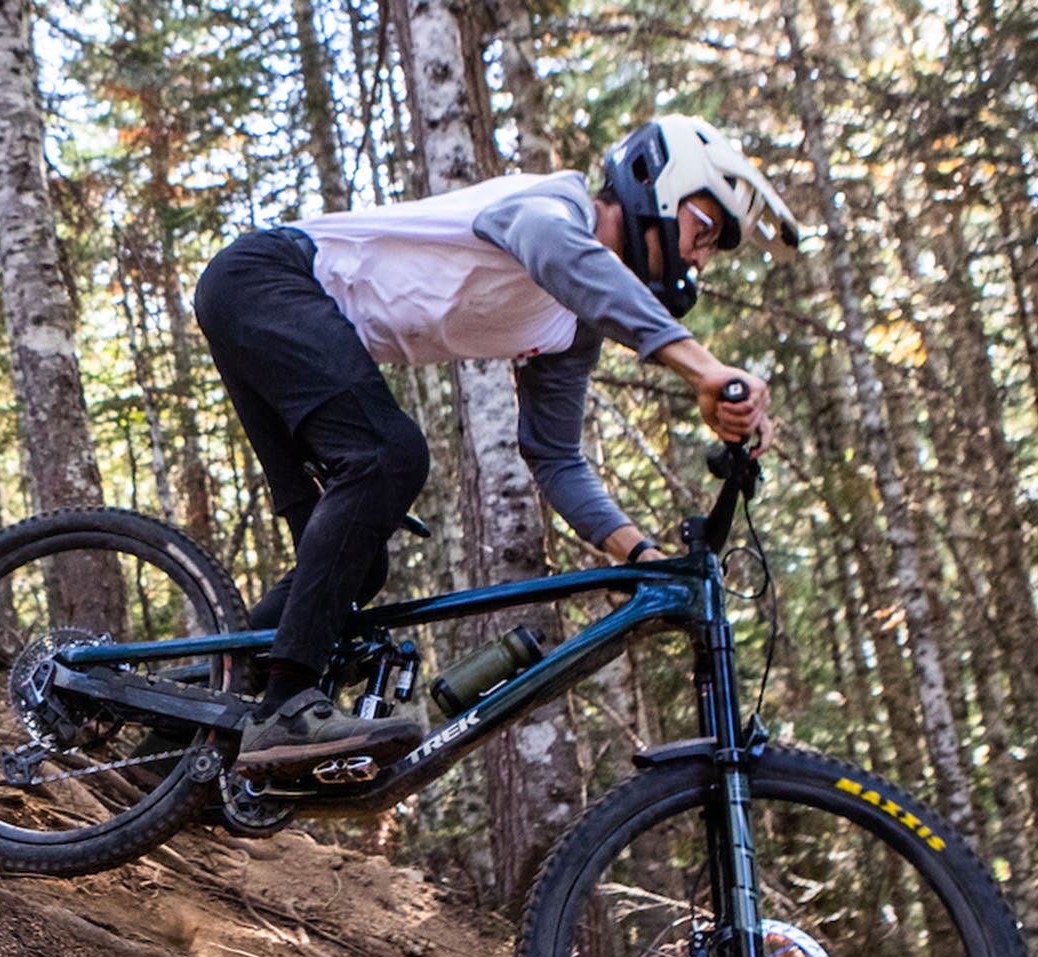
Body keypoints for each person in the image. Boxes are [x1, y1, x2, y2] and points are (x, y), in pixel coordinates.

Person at [192, 114, 802, 777]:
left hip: (267, 310)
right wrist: (706, 369)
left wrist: (642, 559)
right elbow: (560, 251)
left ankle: (175, 740)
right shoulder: (552, 206)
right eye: (703, 231)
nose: (700, 258)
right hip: (266, 280)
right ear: (657, 188)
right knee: (388, 457)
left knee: (354, 568)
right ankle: (286, 708)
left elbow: (554, 453)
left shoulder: (573, 326)